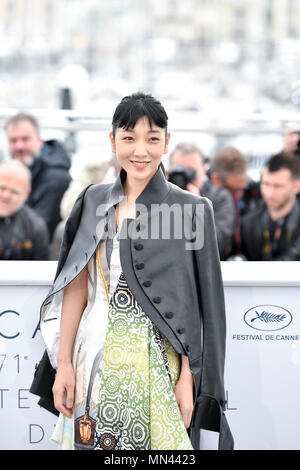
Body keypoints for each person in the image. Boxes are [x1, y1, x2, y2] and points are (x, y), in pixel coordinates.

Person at [30, 92, 233, 450]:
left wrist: (191, 378)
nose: (141, 151)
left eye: (153, 138)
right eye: (129, 138)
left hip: (160, 367)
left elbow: (202, 306)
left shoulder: (193, 209)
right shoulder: (91, 199)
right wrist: (63, 365)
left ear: (166, 142)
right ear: (112, 141)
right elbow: (77, 286)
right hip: (91, 358)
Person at [5, 113, 72, 240]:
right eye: (13, 141)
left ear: (39, 140)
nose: (19, 146)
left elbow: (39, 232)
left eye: (25, 139)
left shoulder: (56, 178)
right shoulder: (10, 172)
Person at [168, 142, 236, 260]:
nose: (184, 176)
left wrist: (197, 209)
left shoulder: (220, 197)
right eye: (179, 171)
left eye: (191, 171)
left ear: (204, 170)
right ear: (169, 171)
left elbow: (220, 246)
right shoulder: (159, 199)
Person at [241, 152, 300, 261]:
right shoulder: (247, 224)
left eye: (278, 186)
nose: (269, 193)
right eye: (266, 184)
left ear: (296, 186)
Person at [0, 160, 49, 260]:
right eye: (2, 188)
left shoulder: (36, 227)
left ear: (26, 194)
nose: (6, 196)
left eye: (15, 192)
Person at [209, 146, 249, 257]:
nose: (239, 196)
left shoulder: (257, 194)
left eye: (243, 189)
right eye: (233, 191)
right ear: (215, 179)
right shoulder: (204, 199)